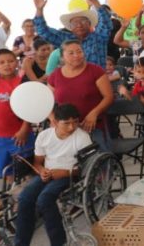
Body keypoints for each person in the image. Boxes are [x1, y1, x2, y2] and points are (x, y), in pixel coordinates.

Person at [15, 104, 92, 246]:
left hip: (70, 175)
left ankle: (58, 242)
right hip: (48, 173)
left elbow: (86, 168)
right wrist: (41, 170)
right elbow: (38, 162)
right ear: (55, 122)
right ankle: (21, 243)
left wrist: (66, 172)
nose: (71, 127)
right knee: (25, 198)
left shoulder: (82, 138)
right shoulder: (44, 136)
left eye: (75, 122)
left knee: (44, 199)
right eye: (66, 123)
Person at [47, 40, 113, 151]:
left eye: (79, 51)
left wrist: (94, 113)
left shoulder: (95, 71)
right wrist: (52, 117)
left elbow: (109, 97)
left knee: (98, 160)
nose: (76, 55)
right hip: (65, 127)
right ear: (62, 56)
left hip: (91, 125)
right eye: (71, 53)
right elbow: (47, 101)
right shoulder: (55, 75)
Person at [30, 0, 112, 68]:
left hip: (97, 80)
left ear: (89, 23)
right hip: (74, 80)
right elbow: (43, 31)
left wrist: (94, 1)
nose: (79, 25)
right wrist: (39, 10)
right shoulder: (66, 39)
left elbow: (106, 23)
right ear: (70, 27)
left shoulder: (98, 37)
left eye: (83, 21)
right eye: (74, 23)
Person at [0, 49, 35, 184]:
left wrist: (25, 129)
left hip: (19, 136)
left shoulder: (22, 82)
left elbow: (31, 108)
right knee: (6, 171)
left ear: (16, 62)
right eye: (2, 62)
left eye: (10, 61)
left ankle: (24, 200)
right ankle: (11, 198)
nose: (6, 65)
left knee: (25, 172)